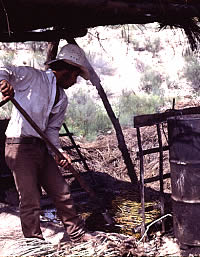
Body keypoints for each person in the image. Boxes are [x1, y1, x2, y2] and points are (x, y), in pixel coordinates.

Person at [0, 44, 97, 243]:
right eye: (75, 76)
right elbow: (5, 69)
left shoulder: (62, 98)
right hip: (18, 145)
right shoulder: (32, 76)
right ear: (67, 71)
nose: (75, 81)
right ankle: (34, 242)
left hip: (41, 147)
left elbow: (51, 130)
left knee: (62, 191)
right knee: (30, 198)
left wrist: (59, 152)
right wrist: (3, 81)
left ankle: (76, 233)